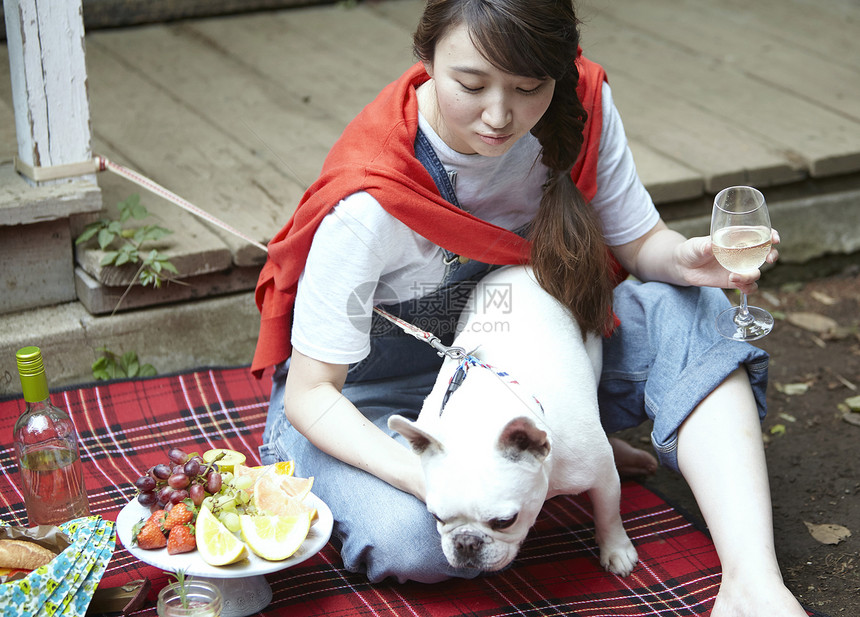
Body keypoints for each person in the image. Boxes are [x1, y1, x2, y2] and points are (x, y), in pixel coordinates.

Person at [252, 0, 807, 614]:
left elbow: (641, 242)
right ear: (426, 59)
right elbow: (312, 394)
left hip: (530, 360)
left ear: (559, 71)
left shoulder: (580, 105)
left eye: (527, 87)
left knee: (692, 307)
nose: (498, 115)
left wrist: (686, 260)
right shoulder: (371, 199)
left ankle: (752, 580)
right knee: (416, 543)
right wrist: (440, 478)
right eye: (470, 84)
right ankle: (555, 456)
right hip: (380, 397)